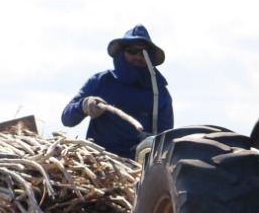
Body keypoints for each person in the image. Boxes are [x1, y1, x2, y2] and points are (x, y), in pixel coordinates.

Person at [61, 24, 174, 160]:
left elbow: (166, 139)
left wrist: (151, 141)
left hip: (137, 165)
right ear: (121, 52)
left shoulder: (158, 92)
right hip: (98, 161)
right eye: (132, 51)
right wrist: (84, 106)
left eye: (144, 53)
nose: (138, 56)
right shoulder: (101, 81)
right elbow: (66, 119)